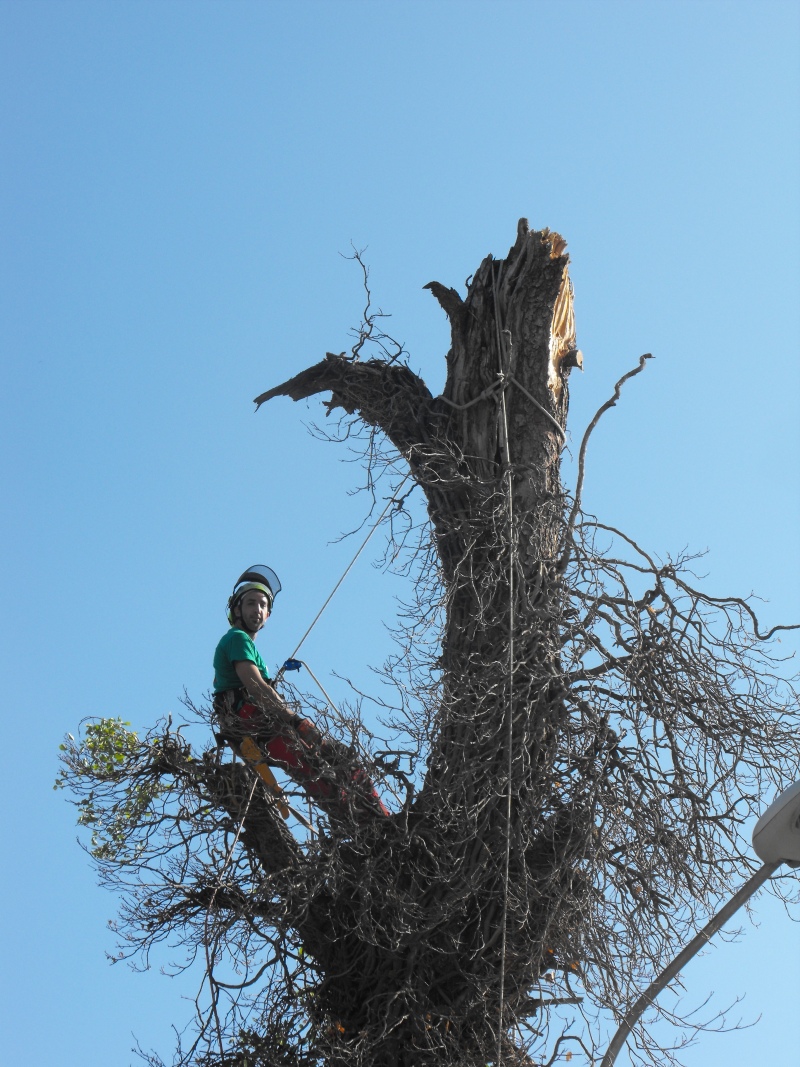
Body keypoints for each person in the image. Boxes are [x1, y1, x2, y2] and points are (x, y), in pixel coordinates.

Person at [213, 565, 388, 821]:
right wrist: (296, 720)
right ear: (236, 609)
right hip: (259, 727)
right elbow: (257, 688)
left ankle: (376, 820)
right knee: (320, 775)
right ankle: (368, 826)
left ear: (269, 615)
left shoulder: (244, 645)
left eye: (263, 605)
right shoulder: (236, 639)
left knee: (341, 762)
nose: (257, 610)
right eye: (251, 603)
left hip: (259, 729)